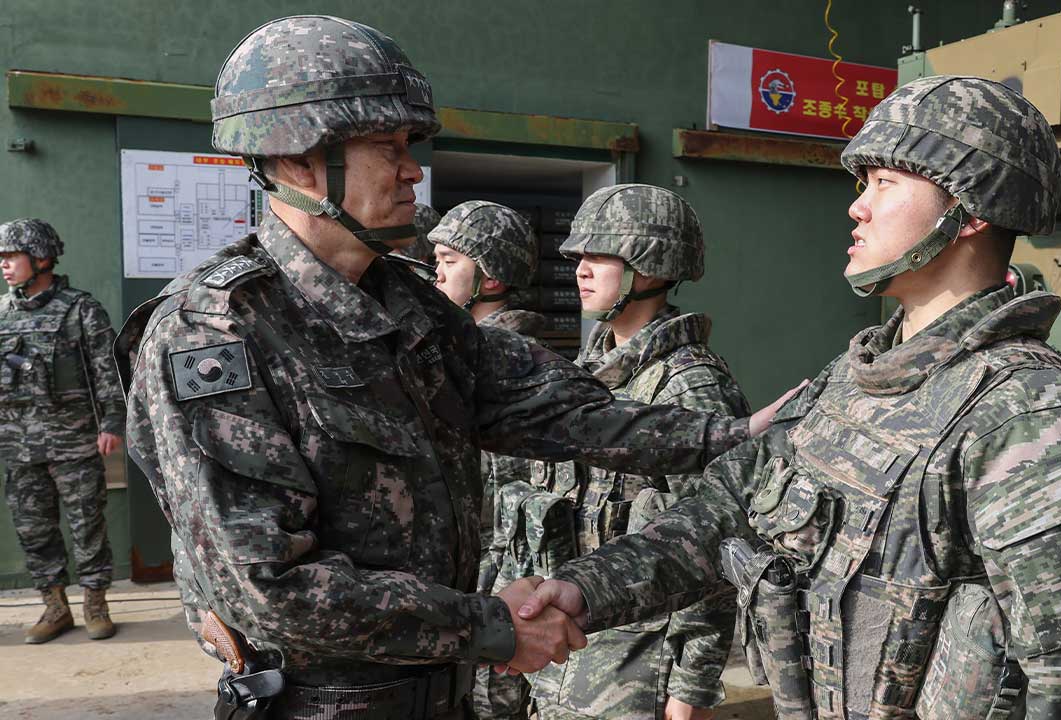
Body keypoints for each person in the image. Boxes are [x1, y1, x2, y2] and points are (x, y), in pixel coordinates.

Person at [117, 16, 789, 720]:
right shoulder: (212, 333)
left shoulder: (407, 304)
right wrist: (494, 629)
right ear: (295, 162)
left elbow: (543, 407)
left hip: (444, 692)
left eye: (410, 146)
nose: (413, 169)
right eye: (387, 148)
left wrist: (732, 435)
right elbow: (271, 586)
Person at [520, 76, 1061, 720]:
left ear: (972, 208)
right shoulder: (849, 380)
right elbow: (722, 511)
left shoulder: (1025, 416)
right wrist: (582, 589)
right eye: (864, 184)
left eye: (886, 183)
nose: (858, 207)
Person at [511, 184, 748, 720]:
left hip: (641, 673)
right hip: (567, 659)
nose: (581, 270)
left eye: (601, 255)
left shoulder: (689, 389)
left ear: (652, 267)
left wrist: (690, 691)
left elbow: (720, 543)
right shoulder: (587, 375)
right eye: (578, 257)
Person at [430, 200, 545, 719]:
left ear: (491, 278)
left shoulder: (510, 363)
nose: (436, 269)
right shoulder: (454, 354)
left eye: (450, 259)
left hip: (504, 581)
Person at [0, 217, 125, 644]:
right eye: (1, 258)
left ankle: (95, 603)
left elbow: (107, 372)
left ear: (41, 258)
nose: (4, 265)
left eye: (11, 256)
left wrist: (111, 422)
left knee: (86, 523)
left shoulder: (80, 309)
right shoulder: (1, 313)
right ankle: (55, 607)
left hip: (73, 438)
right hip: (17, 443)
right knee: (33, 528)